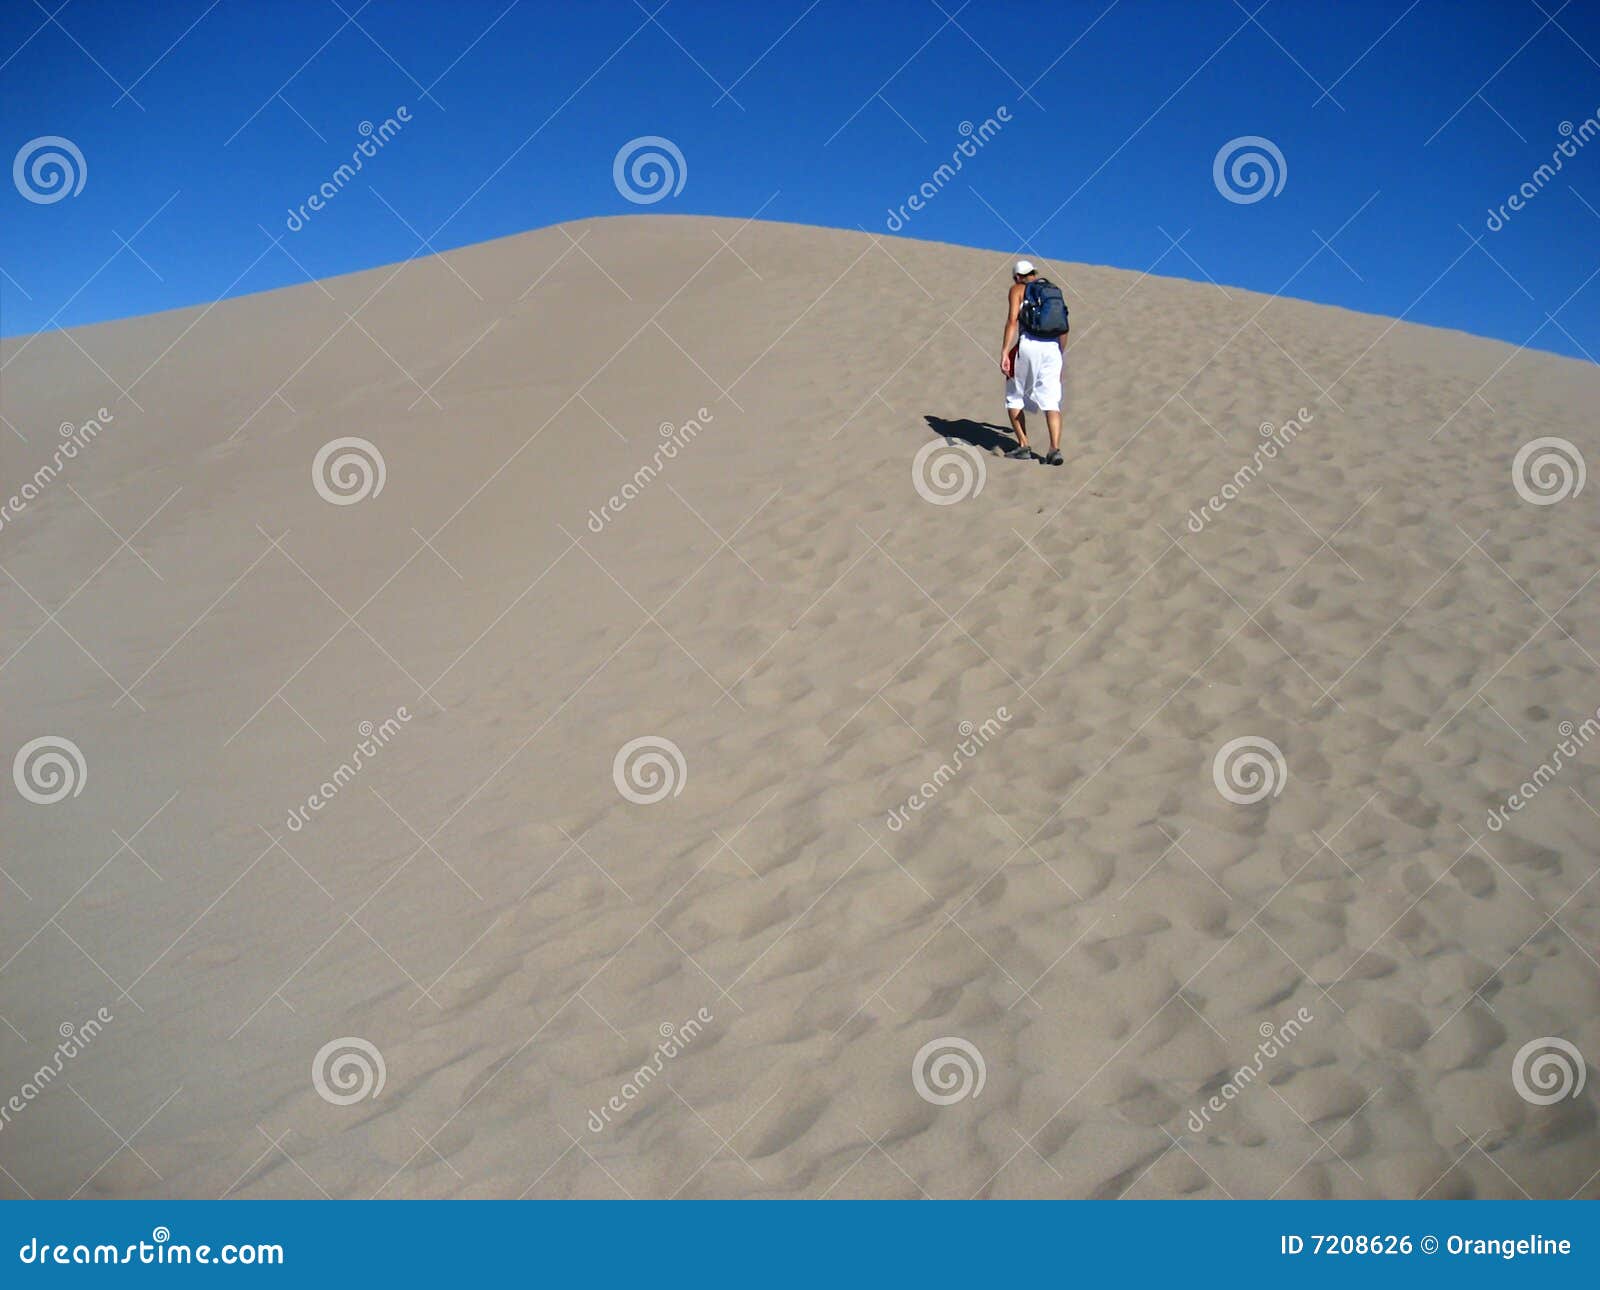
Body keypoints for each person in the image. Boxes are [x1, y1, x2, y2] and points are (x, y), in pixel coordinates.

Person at [999, 259, 1068, 465]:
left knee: (1014, 394)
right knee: (1051, 401)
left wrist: (1004, 352)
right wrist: (1061, 356)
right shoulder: (1053, 291)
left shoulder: (1017, 289)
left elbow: (1012, 320)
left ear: (1018, 277)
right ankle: (1054, 449)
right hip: (1052, 348)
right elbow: (1064, 328)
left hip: (1028, 345)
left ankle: (1023, 445)